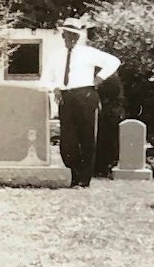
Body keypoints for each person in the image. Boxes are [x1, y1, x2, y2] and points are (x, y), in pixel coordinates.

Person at [44, 18, 121, 188]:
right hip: (65, 97)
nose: (69, 39)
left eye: (73, 36)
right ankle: (75, 174)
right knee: (68, 141)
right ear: (62, 35)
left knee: (87, 138)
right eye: (66, 35)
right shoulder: (56, 56)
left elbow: (114, 61)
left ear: (77, 37)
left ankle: (83, 180)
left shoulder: (89, 53)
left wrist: (100, 78)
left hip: (85, 95)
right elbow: (46, 78)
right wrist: (55, 87)